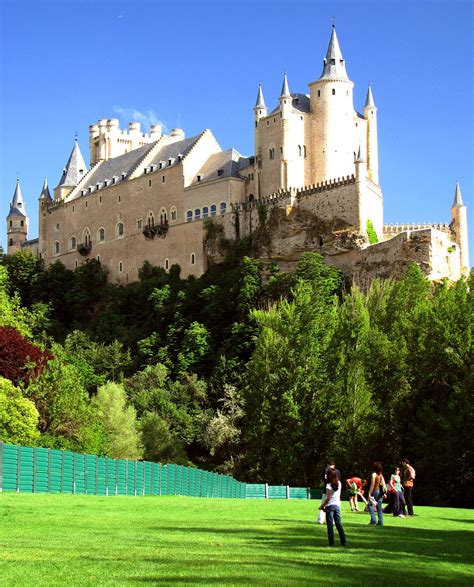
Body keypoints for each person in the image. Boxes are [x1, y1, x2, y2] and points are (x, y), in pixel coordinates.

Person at [319, 468, 346, 547]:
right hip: (337, 506)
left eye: (327, 474)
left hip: (330, 506)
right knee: (338, 524)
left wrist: (322, 506)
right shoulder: (339, 483)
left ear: (330, 476)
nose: (326, 476)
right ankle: (343, 541)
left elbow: (327, 498)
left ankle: (331, 543)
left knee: (330, 526)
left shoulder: (328, 485)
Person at [317, 459, 341, 524]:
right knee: (334, 505)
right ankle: (333, 521)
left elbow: (324, 480)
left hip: (327, 489)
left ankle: (320, 520)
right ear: (334, 465)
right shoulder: (337, 471)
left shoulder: (325, 470)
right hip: (336, 491)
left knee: (323, 503)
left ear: (328, 464)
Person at [367, 461, 386, 526]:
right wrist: (384, 493)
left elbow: (372, 485)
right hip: (381, 492)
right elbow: (384, 484)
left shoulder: (374, 474)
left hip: (375, 491)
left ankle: (373, 520)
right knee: (379, 507)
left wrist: (369, 493)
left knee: (369, 505)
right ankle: (380, 522)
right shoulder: (381, 475)